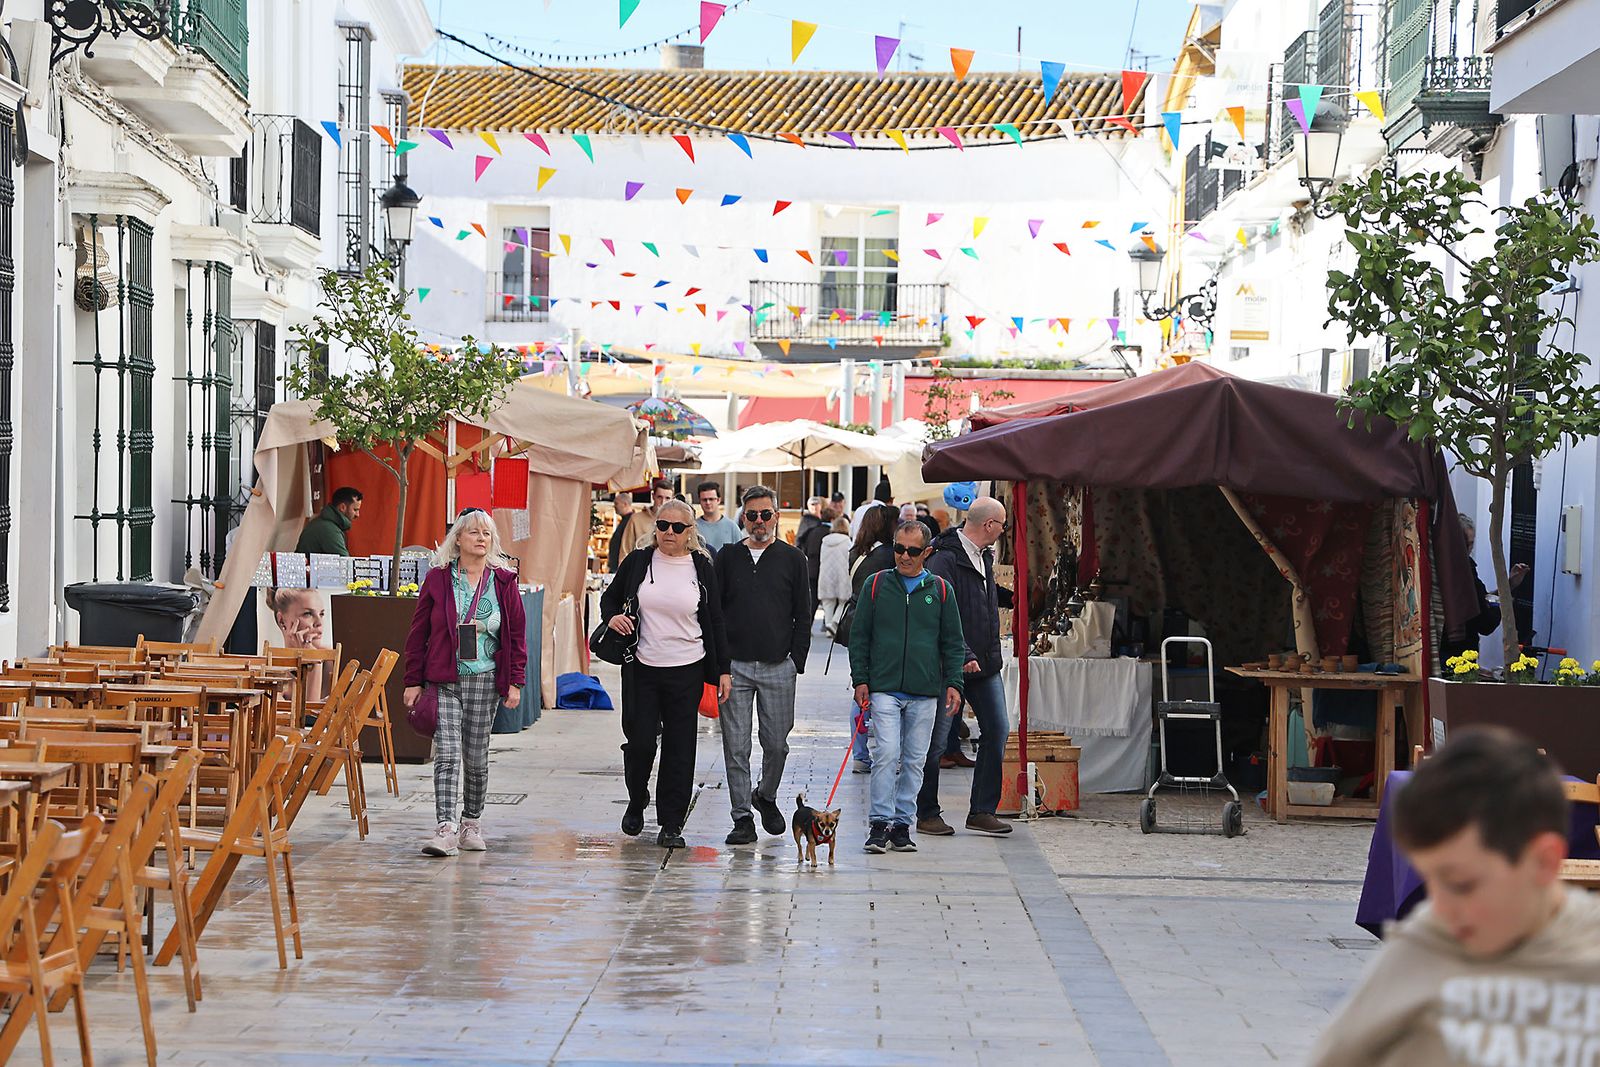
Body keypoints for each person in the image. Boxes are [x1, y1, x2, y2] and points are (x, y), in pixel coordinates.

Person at [1308, 726, 1600, 1065]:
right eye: (1431, 883)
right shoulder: (1421, 949)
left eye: (1463, 885)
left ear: (1545, 861)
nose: (1442, 908)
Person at [601, 499, 732, 849]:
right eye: (662, 525)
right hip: (642, 666)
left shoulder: (702, 567)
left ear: (691, 533)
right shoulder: (639, 562)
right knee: (640, 741)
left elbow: (715, 620)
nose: (668, 533)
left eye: (677, 527)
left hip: (687, 667)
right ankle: (637, 797)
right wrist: (612, 617)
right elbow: (609, 600)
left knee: (679, 747)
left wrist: (723, 669)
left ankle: (672, 823)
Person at [403, 509, 528, 857]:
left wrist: (515, 681)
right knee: (446, 754)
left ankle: (471, 822)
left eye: (486, 533)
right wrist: (413, 680)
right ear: (457, 539)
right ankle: (445, 827)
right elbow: (418, 633)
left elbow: (516, 635)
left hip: (486, 681)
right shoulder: (439, 579)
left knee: (475, 758)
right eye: (472, 532)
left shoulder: (503, 581)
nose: (480, 538)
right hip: (444, 679)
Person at [849, 520, 965, 855]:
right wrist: (861, 679)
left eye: (913, 551)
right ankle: (879, 823)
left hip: (925, 691)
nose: (904, 556)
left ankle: (902, 824)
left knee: (916, 760)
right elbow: (859, 637)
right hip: (884, 688)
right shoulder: (876, 585)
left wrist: (954, 682)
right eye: (899, 548)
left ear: (926, 552)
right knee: (886, 753)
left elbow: (953, 642)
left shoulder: (941, 590)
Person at [713, 486, 812, 844]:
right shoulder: (726, 557)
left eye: (765, 514)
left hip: (777, 665)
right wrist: (720, 664)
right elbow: (715, 614)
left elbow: (804, 611)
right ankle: (742, 818)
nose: (759, 521)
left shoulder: (792, 559)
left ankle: (765, 795)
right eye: (752, 515)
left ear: (776, 517)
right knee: (736, 746)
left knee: (776, 744)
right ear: (743, 517)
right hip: (735, 666)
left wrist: (795, 661)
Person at [920, 496, 1015, 837]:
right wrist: (962, 653)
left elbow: (979, 598)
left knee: (998, 730)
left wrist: (1012, 598)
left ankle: (982, 810)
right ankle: (926, 811)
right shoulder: (944, 558)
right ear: (989, 525)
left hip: (984, 664)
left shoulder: (982, 556)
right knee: (935, 741)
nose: (1003, 532)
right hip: (951, 665)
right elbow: (939, 612)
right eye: (1002, 525)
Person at [845, 503, 900, 774]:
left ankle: (859, 753)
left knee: (860, 689)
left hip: (856, 623)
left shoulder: (856, 552)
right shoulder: (889, 556)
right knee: (884, 691)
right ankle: (883, 753)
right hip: (883, 627)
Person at [1442, 514, 1531, 662]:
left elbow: (1479, 599)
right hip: (1458, 655)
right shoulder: (1463, 571)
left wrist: (1508, 586)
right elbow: (1485, 622)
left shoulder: (1441, 564)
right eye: (1468, 545)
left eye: (1472, 544)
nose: (1470, 550)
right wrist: (1501, 599)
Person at [267, 587, 331, 703]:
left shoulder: (335, 661)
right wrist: (314, 664)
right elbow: (308, 719)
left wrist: (315, 660)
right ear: (282, 621)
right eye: (308, 614)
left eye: (321, 614)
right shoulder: (272, 670)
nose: (319, 623)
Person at [296, 486, 361, 556]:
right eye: (355, 510)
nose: (357, 515)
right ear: (342, 507)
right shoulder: (329, 530)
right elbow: (345, 563)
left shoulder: (324, 523)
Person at [797, 504, 833, 624]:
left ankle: (808, 624)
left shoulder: (812, 531)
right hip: (826, 568)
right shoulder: (831, 533)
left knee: (812, 600)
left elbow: (803, 546)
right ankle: (827, 623)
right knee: (828, 599)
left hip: (811, 568)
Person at [817, 517, 853, 637]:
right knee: (844, 600)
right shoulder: (847, 541)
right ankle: (834, 623)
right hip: (842, 574)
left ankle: (828, 626)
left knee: (827, 601)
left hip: (826, 573)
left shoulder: (825, 541)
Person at [694, 481, 741, 556]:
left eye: (711, 499)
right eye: (704, 499)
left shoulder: (732, 527)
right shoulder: (693, 527)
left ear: (718, 500)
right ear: (699, 501)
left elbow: (740, 553)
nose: (708, 502)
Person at [609, 492, 638, 573]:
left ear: (625, 504)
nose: (614, 506)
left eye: (616, 503)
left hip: (621, 567)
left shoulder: (631, 521)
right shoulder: (626, 520)